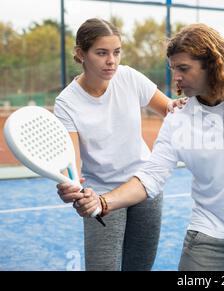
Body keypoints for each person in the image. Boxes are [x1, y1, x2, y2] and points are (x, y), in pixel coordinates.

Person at [57, 23, 224, 271]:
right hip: (210, 232)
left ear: (211, 64)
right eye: (173, 69)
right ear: (81, 54)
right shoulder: (178, 119)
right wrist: (102, 201)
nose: (175, 78)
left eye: (183, 68)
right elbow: (150, 177)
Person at [53, 18, 186, 271]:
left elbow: (169, 109)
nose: (111, 60)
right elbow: (70, 165)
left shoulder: (129, 77)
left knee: (139, 267)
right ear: (81, 54)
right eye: (101, 53)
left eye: (116, 52)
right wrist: (69, 186)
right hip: (100, 195)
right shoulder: (66, 102)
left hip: (144, 187)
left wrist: (179, 106)